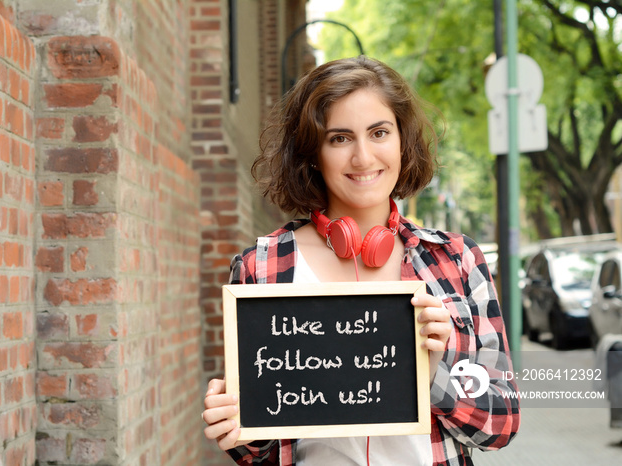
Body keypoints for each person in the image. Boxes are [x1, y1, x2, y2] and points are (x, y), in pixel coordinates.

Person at [202, 56, 520, 465]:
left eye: (379, 132)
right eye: (339, 138)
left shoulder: (457, 259)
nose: (363, 157)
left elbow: (502, 426)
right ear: (312, 153)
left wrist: (435, 371)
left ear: (402, 141)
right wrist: (234, 428)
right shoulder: (261, 267)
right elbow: (257, 452)